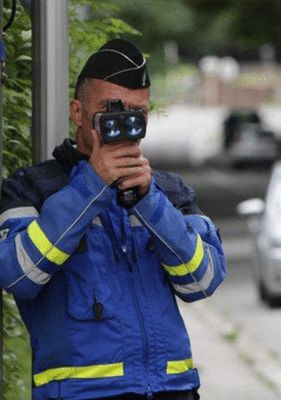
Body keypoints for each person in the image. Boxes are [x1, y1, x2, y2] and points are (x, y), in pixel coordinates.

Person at [0, 39, 227, 400]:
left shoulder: (167, 193)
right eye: (112, 109)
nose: (126, 122)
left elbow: (202, 281)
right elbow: (18, 276)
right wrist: (93, 184)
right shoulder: (31, 189)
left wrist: (149, 201)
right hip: (81, 394)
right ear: (78, 112)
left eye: (138, 112)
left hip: (174, 390)